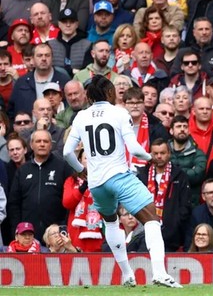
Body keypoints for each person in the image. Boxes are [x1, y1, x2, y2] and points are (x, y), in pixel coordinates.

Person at [62, 75, 181, 287]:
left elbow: (67, 152)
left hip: (96, 183)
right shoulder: (119, 113)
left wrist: (82, 171)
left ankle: (127, 274)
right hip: (119, 175)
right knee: (152, 218)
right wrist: (149, 157)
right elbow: (134, 149)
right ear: (110, 93)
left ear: (88, 96)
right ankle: (160, 273)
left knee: (110, 222)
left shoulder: (80, 117)